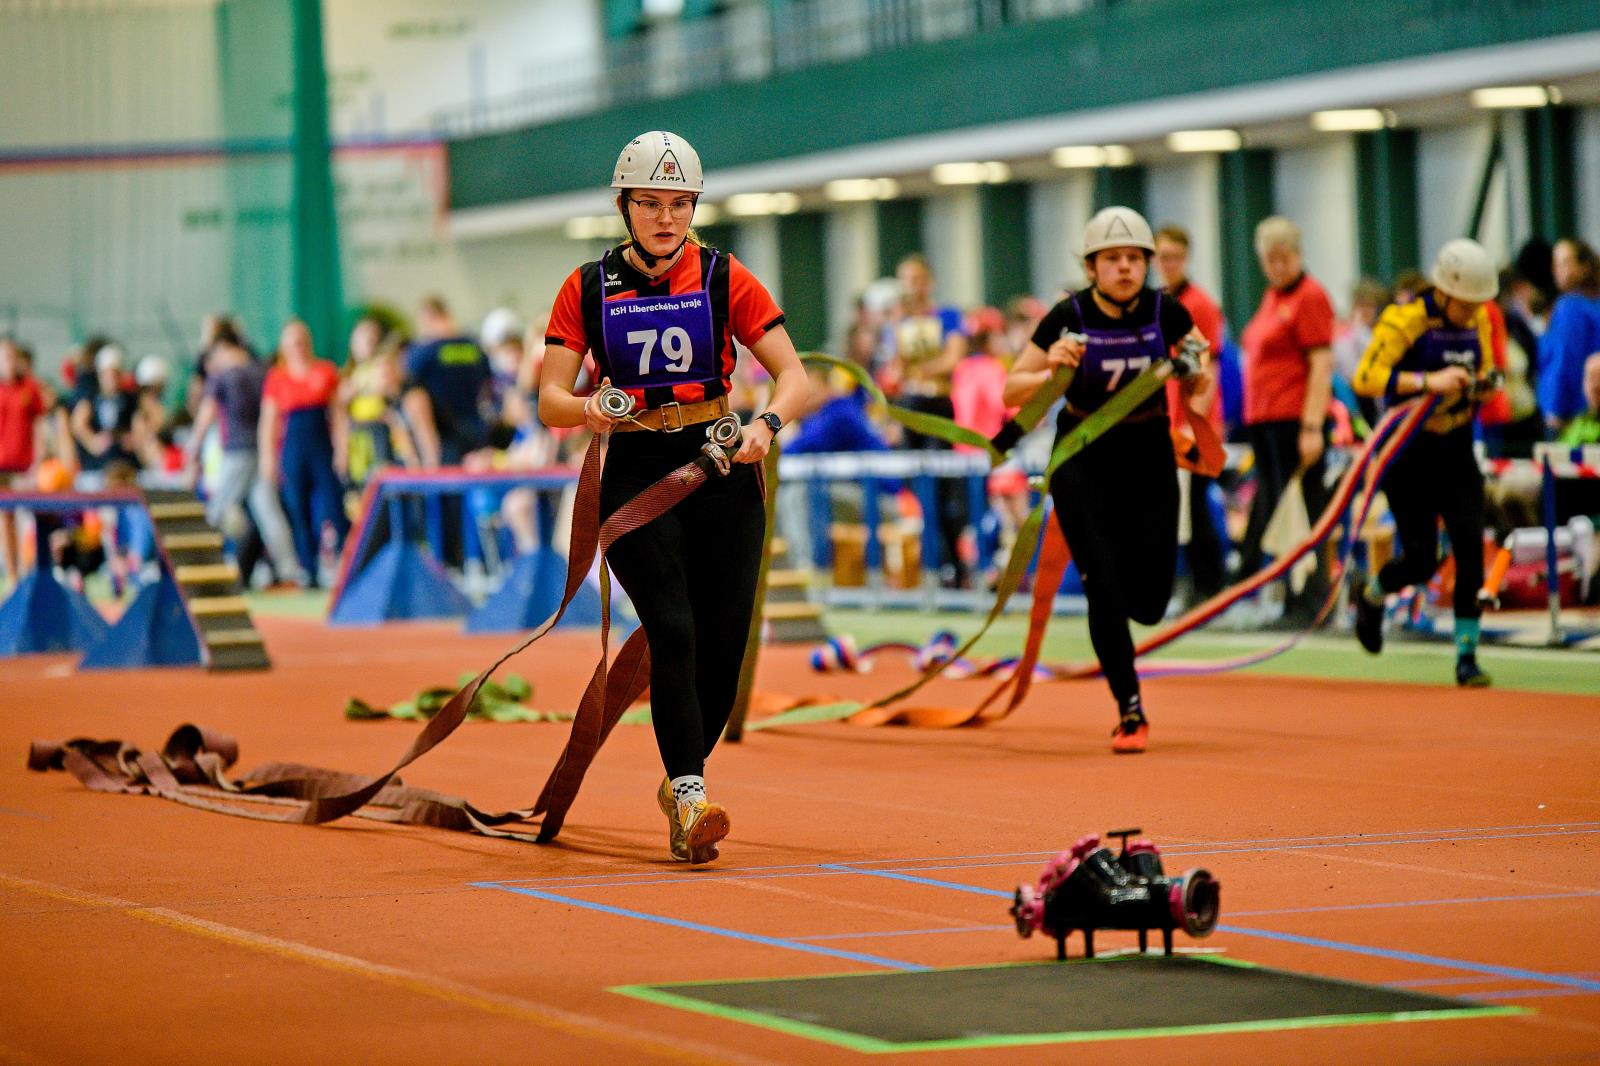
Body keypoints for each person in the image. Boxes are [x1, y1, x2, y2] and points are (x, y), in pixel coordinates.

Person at [538, 130, 807, 864]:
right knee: (674, 629)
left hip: (718, 464)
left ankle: (680, 780)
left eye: (680, 203)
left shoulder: (724, 276)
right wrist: (590, 407)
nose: (666, 218)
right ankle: (691, 796)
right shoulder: (587, 286)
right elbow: (550, 401)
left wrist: (767, 424)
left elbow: (795, 376)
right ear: (624, 206)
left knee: (724, 645)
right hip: (636, 471)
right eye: (651, 203)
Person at [1003, 206, 1210, 754]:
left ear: (1148, 264)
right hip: (1083, 460)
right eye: (1112, 259)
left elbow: (1202, 374)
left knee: (1151, 602)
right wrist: (1050, 367)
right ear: (1091, 267)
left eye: (1134, 258)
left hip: (1149, 456)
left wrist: (1196, 381)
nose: (1124, 268)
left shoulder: (1167, 311)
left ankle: (1131, 656)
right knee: (1104, 586)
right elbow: (1011, 390)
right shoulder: (1066, 316)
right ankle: (1130, 709)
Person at [1350, 239, 1499, 687]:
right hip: (1408, 451)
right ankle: (1372, 596)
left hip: (1456, 445)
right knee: (1420, 560)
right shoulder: (1405, 320)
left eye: (1478, 305)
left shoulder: (1479, 320)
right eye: (1465, 305)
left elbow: (1488, 371)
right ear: (1445, 291)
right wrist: (1428, 381)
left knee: (1469, 546)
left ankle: (1467, 658)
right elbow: (1365, 377)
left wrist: (1483, 384)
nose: (1472, 314)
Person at [1235, 216, 1337, 624]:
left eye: (1284, 258)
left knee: (1303, 509)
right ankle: (1289, 597)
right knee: (1278, 510)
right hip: (1265, 421)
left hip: (1294, 421)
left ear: (1298, 255)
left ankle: (1310, 602)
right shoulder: (1272, 297)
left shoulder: (1310, 296)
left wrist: (1312, 427)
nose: (1277, 267)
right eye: (1269, 260)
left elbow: (1321, 366)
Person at [882, 253, 971, 587]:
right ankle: (936, 562)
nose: (912, 287)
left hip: (937, 405)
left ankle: (953, 563)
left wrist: (920, 371)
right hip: (911, 406)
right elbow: (894, 371)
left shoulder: (947, 316)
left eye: (917, 279)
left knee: (943, 486)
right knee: (918, 488)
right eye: (906, 280)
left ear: (929, 282)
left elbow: (953, 358)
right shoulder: (899, 322)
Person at [189, 324, 300, 586]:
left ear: (223, 349)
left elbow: (207, 413)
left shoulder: (224, 376)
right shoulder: (262, 371)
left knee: (217, 510)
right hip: (262, 451)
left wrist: (193, 446)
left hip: (236, 452)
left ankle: (196, 565)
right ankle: (289, 572)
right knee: (269, 513)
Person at [1154, 224, 1228, 605]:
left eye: (1175, 258)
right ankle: (1186, 583)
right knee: (1173, 505)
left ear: (1186, 259)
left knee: (1196, 504)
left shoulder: (1199, 304)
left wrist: (1194, 421)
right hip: (1166, 419)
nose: (1169, 264)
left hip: (1193, 421)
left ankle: (1209, 584)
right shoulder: (1158, 303)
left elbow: (1208, 366)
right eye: (1163, 257)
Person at [260, 320, 348, 587]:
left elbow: (338, 415)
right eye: (293, 343)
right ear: (285, 347)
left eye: (302, 342)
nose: (298, 348)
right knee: (297, 508)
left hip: (321, 447)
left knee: (333, 504)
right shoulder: (277, 378)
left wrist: (342, 449)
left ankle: (345, 563)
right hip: (293, 449)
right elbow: (269, 421)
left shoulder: (325, 371)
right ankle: (308, 568)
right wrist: (268, 457)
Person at [1538, 238, 1600, 434]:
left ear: (1584, 266)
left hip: (1569, 414)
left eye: (1564, 262)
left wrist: (1556, 409)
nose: (1557, 270)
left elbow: (1565, 360)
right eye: (1555, 263)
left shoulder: (1569, 307)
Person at [0, 337, 48, 585]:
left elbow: (39, 426)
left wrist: (38, 462)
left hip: (25, 467)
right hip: (2, 468)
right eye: (4, 357)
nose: (9, 362)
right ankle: (13, 575)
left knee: (33, 517)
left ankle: (35, 572)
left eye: (12, 356)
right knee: (6, 518)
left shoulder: (30, 387)